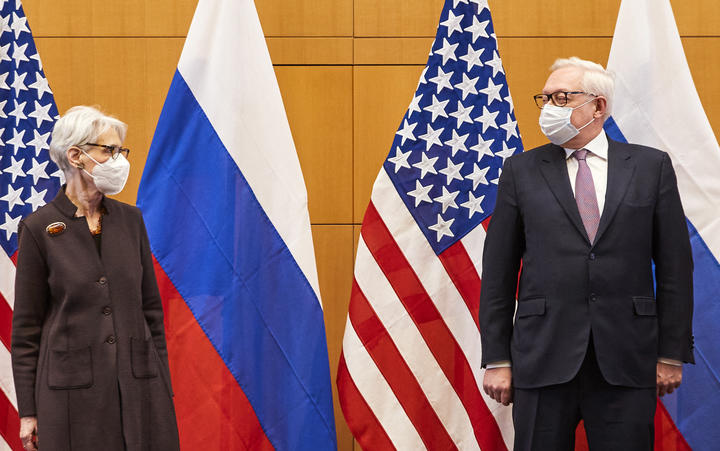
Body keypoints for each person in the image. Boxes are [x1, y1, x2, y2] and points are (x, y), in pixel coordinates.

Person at [479, 57, 694, 450]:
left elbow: (675, 268)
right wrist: (497, 359)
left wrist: (671, 353)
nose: (549, 108)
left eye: (562, 97)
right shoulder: (520, 170)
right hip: (542, 356)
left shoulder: (650, 167)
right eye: (545, 98)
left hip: (626, 357)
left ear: (598, 106)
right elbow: (498, 271)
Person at [11, 106, 180, 451]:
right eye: (109, 150)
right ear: (76, 155)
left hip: (139, 389)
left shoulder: (131, 221)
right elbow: (26, 331)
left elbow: (151, 311)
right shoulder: (38, 228)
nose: (118, 160)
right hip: (70, 397)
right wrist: (28, 412)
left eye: (121, 150)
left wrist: (162, 383)